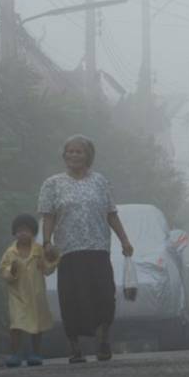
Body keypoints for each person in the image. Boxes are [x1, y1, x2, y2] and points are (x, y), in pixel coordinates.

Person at [39, 135, 134, 364]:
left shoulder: (100, 181)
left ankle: (103, 340)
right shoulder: (53, 184)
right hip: (69, 251)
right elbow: (48, 216)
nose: (73, 155)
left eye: (79, 151)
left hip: (98, 248)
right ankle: (75, 348)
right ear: (64, 156)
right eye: (69, 151)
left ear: (88, 156)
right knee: (71, 299)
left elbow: (111, 214)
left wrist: (124, 240)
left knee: (104, 295)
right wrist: (47, 242)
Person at [0, 213, 57, 368]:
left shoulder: (38, 251)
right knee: (16, 325)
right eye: (19, 230)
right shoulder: (10, 253)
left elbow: (48, 269)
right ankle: (16, 354)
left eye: (27, 230)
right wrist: (12, 270)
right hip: (17, 296)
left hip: (36, 295)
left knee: (37, 326)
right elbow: (2, 270)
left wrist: (52, 259)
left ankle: (35, 354)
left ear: (33, 232)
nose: (23, 233)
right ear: (14, 233)